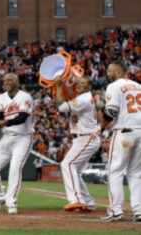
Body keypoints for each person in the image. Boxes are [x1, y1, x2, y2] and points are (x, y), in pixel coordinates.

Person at [0, 73, 34, 214]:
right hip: (7, 137)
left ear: (17, 82)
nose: (5, 82)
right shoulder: (1, 98)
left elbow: (22, 117)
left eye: (9, 80)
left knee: (15, 169)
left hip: (23, 137)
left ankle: (11, 202)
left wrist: (5, 122)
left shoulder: (25, 97)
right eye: (4, 80)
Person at [100, 61, 141, 222]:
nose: (108, 73)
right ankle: (138, 211)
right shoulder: (138, 86)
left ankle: (116, 211)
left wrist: (101, 127)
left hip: (124, 131)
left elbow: (111, 111)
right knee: (136, 174)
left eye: (110, 70)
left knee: (115, 171)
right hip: (140, 130)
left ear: (118, 72)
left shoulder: (114, 86)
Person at [54, 76, 101, 212]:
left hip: (86, 138)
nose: (80, 85)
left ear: (89, 87)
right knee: (76, 171)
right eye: (79, 83)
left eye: (83, 84)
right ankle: (88, 202)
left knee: (67, 164)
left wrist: (58, 87)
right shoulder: (82, 98)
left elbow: (62, 107)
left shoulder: (84, 99)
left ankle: (77, 200)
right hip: (83, 138)